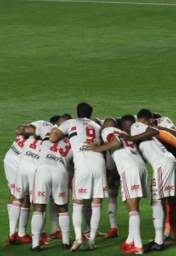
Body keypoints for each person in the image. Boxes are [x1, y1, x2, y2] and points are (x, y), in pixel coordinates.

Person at [85, 117, 149, 255]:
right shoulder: (122, 133)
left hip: (129, 169)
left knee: (132, 206)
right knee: (131, 204)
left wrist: (98, 148)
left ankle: (138, 245)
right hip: (140, 167)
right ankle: (130, 240)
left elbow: (115, 142)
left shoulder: (108, 130)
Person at [49, 102, 107, 251]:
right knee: (96, 203)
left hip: (82, 165)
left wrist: (55, 130)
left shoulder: (70, 122)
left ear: (76, 112)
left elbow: (53, 139)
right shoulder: (96, 125)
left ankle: (78, 238)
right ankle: (92, 240)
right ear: (91, 114)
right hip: (99, 163)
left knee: (77, 203)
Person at [120, 115, 176, 252]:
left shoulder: (136, 127)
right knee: (160, 200)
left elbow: (154, 131)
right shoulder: (139, 132)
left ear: (125, 125)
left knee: (156, 201)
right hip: (167, 163)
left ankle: (158, 242)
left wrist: (131, 138)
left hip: (162, 164)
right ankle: (159, 239)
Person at [137, 109, 176, 244]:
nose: (142, 126)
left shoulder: (163, 121)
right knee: (165, 198)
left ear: (150, 120)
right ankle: (165, 234)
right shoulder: (140, 125)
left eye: (144, 123)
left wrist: (157, 128)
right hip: (166, 164)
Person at [24, 117, 74, 251]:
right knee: (62, 208)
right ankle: (66, 242)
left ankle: (35, 244)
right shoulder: (73, 141)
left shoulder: (48, 133)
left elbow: (27, 131)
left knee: (39, 208)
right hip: (60, 172)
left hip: (43, 171)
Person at [8, 121, 49, 244]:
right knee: (39, 203)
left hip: (22, 165)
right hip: (34, 169)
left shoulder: (34, 131)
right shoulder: (53, 135)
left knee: (17, 197)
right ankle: (38, 238)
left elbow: (19, 130)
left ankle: (12, 234)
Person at [3, 126, 24, 245]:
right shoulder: (48, 135)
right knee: (20, 195)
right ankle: (16, 233)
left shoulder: (37, 125)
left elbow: (17, 130)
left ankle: (14, 232)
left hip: (10, 159)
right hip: (17, 163)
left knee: (15, 193)